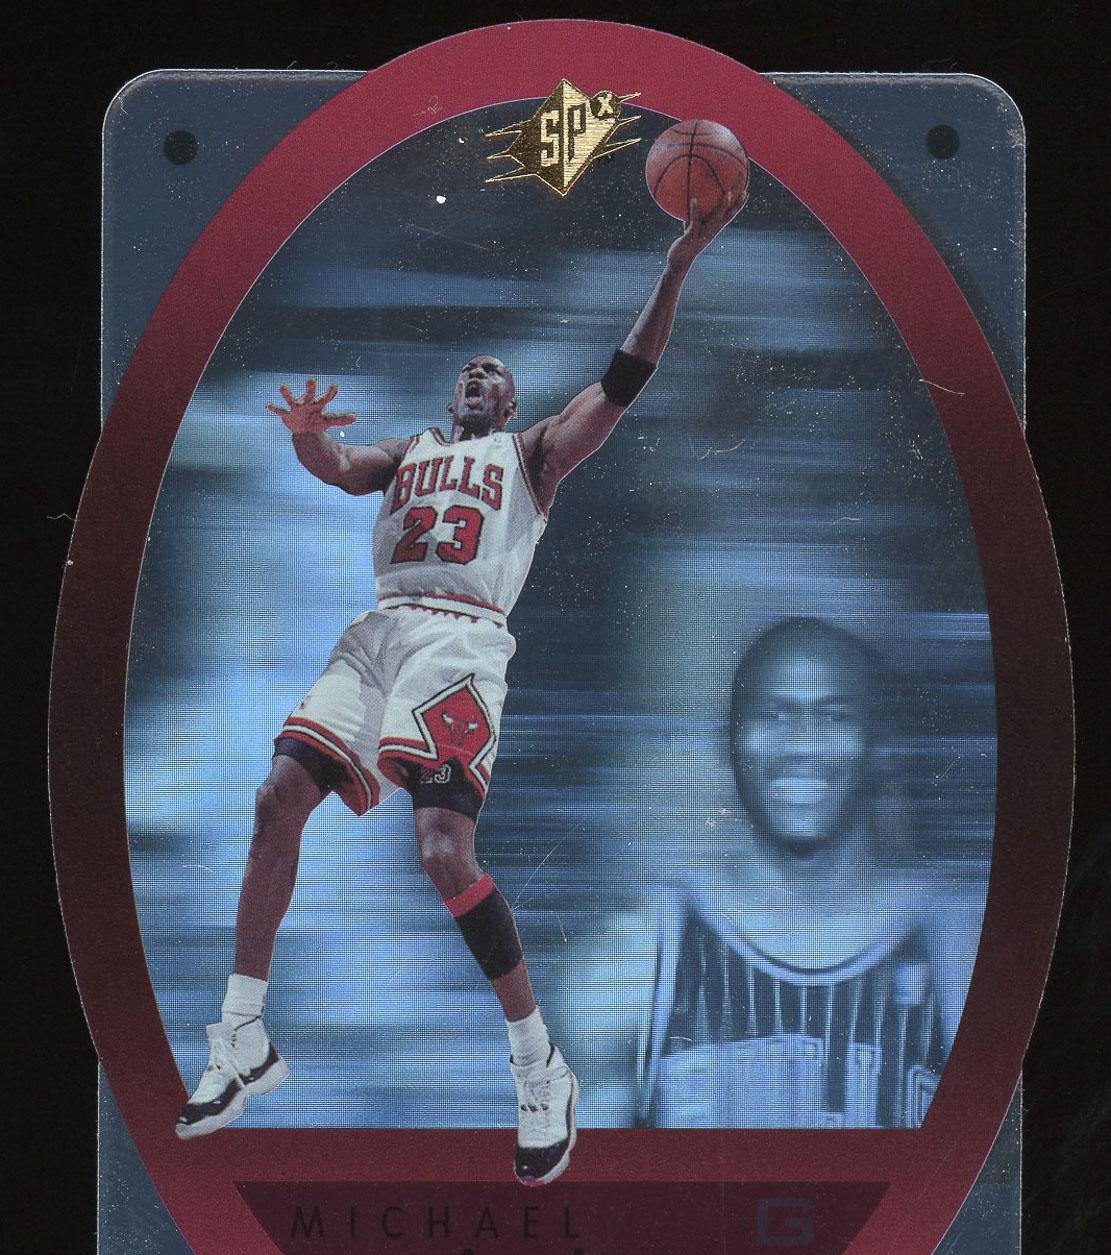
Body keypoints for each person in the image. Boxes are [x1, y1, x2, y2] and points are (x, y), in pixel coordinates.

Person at [175, 188, 744, 1184]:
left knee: (443, 851)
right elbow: (336, 465)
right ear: (453, 396)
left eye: (496, 374)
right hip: (379, 631)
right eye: (468, 372)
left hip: (460, 643)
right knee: (274, 798)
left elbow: (621, 379)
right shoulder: (408, 453)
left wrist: (676, 265)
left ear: (511, 404)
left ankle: (538, 1067)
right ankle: (241, 1036)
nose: (479, 377)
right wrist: (305, 434)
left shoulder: (532, 456)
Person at [629, 617, 981, 1129]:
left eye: (835, 716)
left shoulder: (958, 948)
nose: (801, 745)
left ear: (881, 747)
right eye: (773, 715)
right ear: (729, 741)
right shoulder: (640, 956)